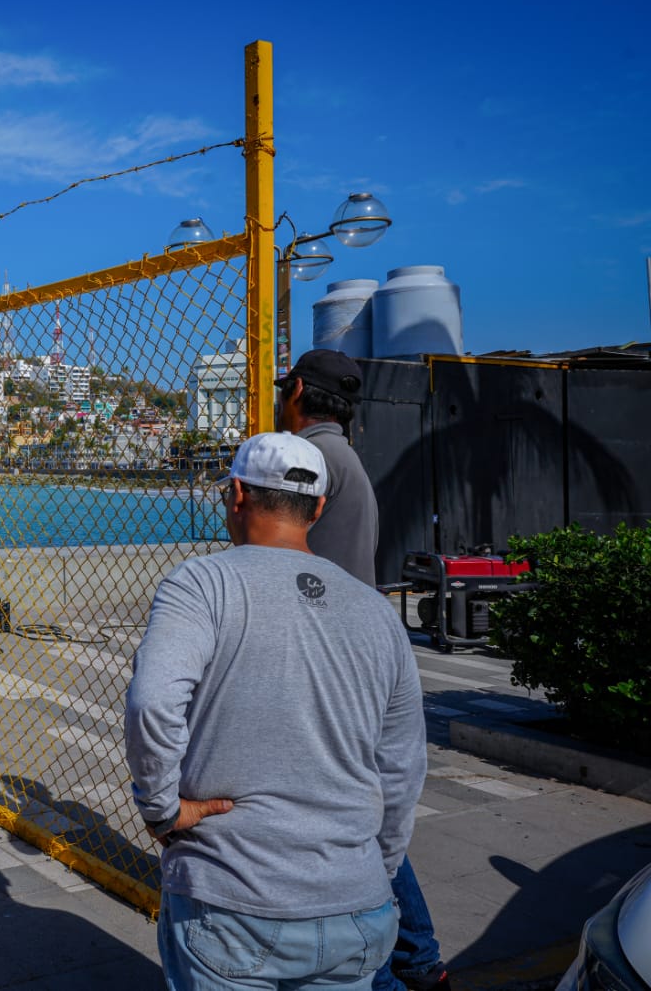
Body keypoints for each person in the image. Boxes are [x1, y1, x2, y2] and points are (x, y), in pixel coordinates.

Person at [125, 431, 426, 991]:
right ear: (318, 507)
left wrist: (161, 809)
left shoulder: (202, 583)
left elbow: (152, 702)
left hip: (231, 899)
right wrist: (373, 869)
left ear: (237, 495)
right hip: (356, 909)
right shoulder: (377, 612)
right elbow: (403, 767)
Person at [280, 349, 450, 991]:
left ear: (297, 390)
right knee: (361, 817)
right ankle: (416, 959)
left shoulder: (310, 458)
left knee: (352, 826)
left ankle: (408, 958)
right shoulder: (344, 457)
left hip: (323, 657)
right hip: (353, 651)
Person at [277, 348, 379, 584]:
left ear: (297, 389)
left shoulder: (304, 455)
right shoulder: (345, 457)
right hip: (349, 600)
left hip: (312, 603)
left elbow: (271, 545)